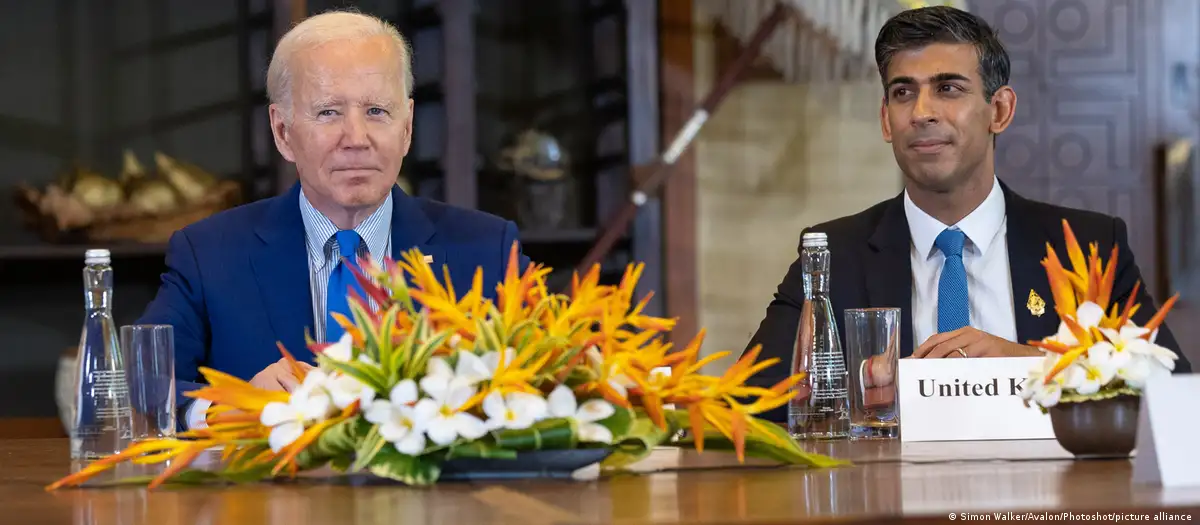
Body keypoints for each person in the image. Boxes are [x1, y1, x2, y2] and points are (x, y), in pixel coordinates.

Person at [746, 6, 1192, 421]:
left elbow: (1174, 399)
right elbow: (750, 407)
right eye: (903, 93)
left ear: (999, 110)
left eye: (948, 89)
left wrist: (1031, 367)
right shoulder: (834, 254)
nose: (921, 113)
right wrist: (866, 384)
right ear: (886, 120)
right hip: (891, 500)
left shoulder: (1089, 244)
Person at [137, 11, 529, 430]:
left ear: (408, 126)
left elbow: (550, 376)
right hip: (271, 491)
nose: (356, 138)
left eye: (377, 110)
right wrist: (226, 409)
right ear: (282, 131)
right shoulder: (210, 253)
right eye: (328, 113)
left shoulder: (486, 249)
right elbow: (142, 380)